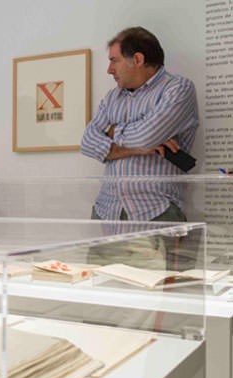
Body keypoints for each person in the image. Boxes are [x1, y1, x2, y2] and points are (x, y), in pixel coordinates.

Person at [80, 27, 199, 270]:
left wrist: (113, 132)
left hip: (155, 214)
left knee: (154, 302)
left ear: (138, 59)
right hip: (107, 214)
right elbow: (88, 142)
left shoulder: (178, 89)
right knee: (101, 299)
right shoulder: (113, 97)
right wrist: (139, 149)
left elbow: (146, 136)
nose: (109, 70)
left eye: (114, 60)